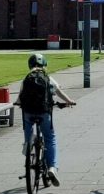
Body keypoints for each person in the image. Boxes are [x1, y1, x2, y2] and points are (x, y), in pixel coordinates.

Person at [18, 53, 76, 186]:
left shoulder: (26, 78)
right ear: (44, 65)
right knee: (50, 138)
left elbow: (20, 97)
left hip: (28, 113)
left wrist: (19, 104)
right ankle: (52, 168)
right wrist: (69, 101)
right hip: (44, 113)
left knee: (28, 131)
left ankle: (28, 148)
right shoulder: (48, 78)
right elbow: (59, 92)